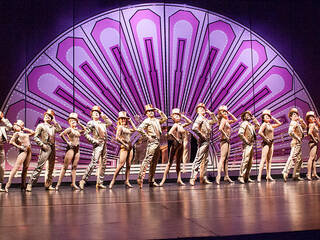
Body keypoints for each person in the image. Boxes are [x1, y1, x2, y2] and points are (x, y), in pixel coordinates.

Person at [26, 109, 62, 191]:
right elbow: (35, 137)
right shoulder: (41, 125)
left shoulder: (53, 127)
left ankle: (48, 184)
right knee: (39, 167)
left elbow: (59, 129)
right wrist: (42, 145)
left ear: (51, 118)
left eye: (49, 116)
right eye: (46, 115)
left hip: (52, 147)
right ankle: (30, 184)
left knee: (51, 167)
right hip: (45, 147)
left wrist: (55, 121)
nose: (47, 117)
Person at [79, 106, 112, 190]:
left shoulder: (102, 123)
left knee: (103, 163)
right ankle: (83, 180)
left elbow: (110, 123)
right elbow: (86, 134)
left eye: (98, 112)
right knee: (94, 162)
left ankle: (100, 182)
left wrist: (104, 116)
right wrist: (94, 141)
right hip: (98, 144)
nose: (97, 113)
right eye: (95, 112)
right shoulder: (91, 123)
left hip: (104, 144)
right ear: (92, 115)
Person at [136, 104, 167, 188]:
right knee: (148, 159)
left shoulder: (156, 120)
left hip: (158, 141)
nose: (151, 112)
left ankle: (151, 180)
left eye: (152, 111)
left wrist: (159, 111)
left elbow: (165, 119)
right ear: (146, 113)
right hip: (152, 141)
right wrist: (147, 136)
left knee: (154, 162)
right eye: (149, 111)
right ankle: (140, 178)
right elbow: (139, 129)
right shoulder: (147, 121)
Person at [159, 108, 192, 186]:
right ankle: (163, 180)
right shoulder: (175, 125)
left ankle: (179, 179)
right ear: (173, 117)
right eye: (176, 116)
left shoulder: (181, 125)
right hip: (175, 144)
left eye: (178, 116)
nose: (178, 117)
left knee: (178, 163)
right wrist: (176, 139)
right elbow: (170, 133)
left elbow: (190, 122)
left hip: (180, 145)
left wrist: (183, 116)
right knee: (169, 163)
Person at [0, 120, 34, 192]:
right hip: (23, 150)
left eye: (20, 125)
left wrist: (25, 129)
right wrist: (19, 147)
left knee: (26, 168)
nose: (18, 126)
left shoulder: (24, 133)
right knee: (16, 167)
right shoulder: (16, 134)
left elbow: (33, 133)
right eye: (17, 125)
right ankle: (7, 185)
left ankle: (23, 185)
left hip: (29, 150)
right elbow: (11, 142)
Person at [55, 113, 86, 190]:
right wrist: (67, 142)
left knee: (74, 167)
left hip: (77, 149)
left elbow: (85, 130)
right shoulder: (69, 129)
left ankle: (73, 183)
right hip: (71, 149)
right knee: (65, 167)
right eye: (71, 120)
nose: (73, 122)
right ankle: (58, 184)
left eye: (74, 120)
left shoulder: (77, 130)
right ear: (69, 122)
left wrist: (79, 123)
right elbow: (61, 134)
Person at [190, 103, 218, 185]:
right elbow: (194, 128)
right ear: (197, 111)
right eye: (200, 108)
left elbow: (215, 121)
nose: (202, 109)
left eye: (203, 108)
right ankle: (193, 178)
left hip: (207, 141)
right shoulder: (199, 118)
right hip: (203, 141)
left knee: (205, 160)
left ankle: (203, 177)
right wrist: (202, 136)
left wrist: (211, 113)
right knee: (198, 159)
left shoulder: (205, 119)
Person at [109, 111, 137, 189]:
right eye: (122, 119)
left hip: (130, 146)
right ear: (120, 120)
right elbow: (117, 137)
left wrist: (131, 121)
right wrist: (124, 144)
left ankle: (127, 181)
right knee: (121, 164)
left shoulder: (127, 127)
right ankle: (113, 180)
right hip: (124, 146)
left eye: (125, 119)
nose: (124, 120)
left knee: (129, 165)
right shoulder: (120, 127)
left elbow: (135, 129)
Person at [282, 108, 307, 182]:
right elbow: (290, 132)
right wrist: (297, 138)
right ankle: (285, 171)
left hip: (298, 143)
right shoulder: (293, 123)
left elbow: (305, 127)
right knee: (293, 157)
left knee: (299, 160)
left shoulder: (297, 123)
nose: (296, 115)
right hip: (296, 142)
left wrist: (301, 121)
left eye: (296, 114)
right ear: (290, 117)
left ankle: (296, 175)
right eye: (294, 114)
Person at [257, 110, 282, 182]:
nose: (267, 117)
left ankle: (268, 175)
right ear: (263, 118)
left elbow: (279, 123)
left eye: (268, 116)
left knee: (269, 160)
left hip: (271, 143)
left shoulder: (270, 125)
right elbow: (259, 132)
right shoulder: (264, 124)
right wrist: (266, 138)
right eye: (266, 116)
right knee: (263, 160)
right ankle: (259, 176)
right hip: (266, 143)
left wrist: (272, 118)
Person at [216, 105, 237, 184]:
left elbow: (235, 119)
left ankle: (226, 176)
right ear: (220, 113)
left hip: (227, 140)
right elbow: (220, 129)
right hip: (224, 140)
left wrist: (229, 113)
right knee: (222, 158)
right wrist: (225, 135)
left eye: (226, 111)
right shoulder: (223, 120)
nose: (225, 113)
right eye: (223, 112)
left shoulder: (226, 120)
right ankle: (218, 176)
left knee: (226, 160)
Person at [238, 110, 260, 184]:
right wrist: (246, 141)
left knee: (250, 161)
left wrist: (254, 119)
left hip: (251, 144)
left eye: (249, 115)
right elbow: (240, 133)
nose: (248, 116)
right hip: (247, 144)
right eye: (246, 115)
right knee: (245, 160)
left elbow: (258, 127)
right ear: (244, 117)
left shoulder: (250, 124)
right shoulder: (244, 123)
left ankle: (246, 176)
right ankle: (241, 176)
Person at [305, 111, 320, 180]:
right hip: (313, 142)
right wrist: (314, 139)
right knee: (311, 158)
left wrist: (317, 122)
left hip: (314, 142)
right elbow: (309, 133)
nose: (313, 118)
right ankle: (308, 174)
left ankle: (314, 173)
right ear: (308, 119)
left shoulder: (313, 124)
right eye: (311, 117)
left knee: (314, 158)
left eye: (313, 116)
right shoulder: (312, 124)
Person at [0, 111, 12, 191]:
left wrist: (3, 119)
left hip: (0, 148)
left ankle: (0, 185)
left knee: (1, 167)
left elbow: (10, 127)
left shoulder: (2, 128)